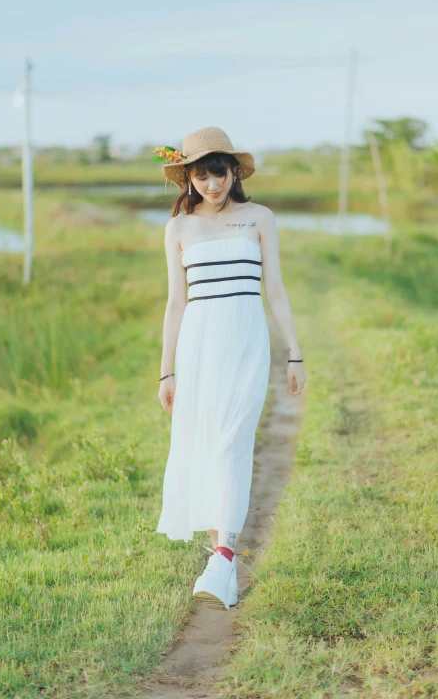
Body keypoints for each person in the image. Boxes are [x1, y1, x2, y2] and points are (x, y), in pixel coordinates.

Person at [155, 126, 306, 610]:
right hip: (199, 348)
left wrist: (295, 352)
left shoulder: (258, 218)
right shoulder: (178, 228)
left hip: (245, 343)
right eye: (201, 176)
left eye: (218, 173)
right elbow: (175, 303)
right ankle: (224, 562)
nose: (212, 185)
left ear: (233, 171)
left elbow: (275, 290)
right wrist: (166, 371)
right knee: (208, 446)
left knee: (233, 444)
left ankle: (221, 560)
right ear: (189, 180)